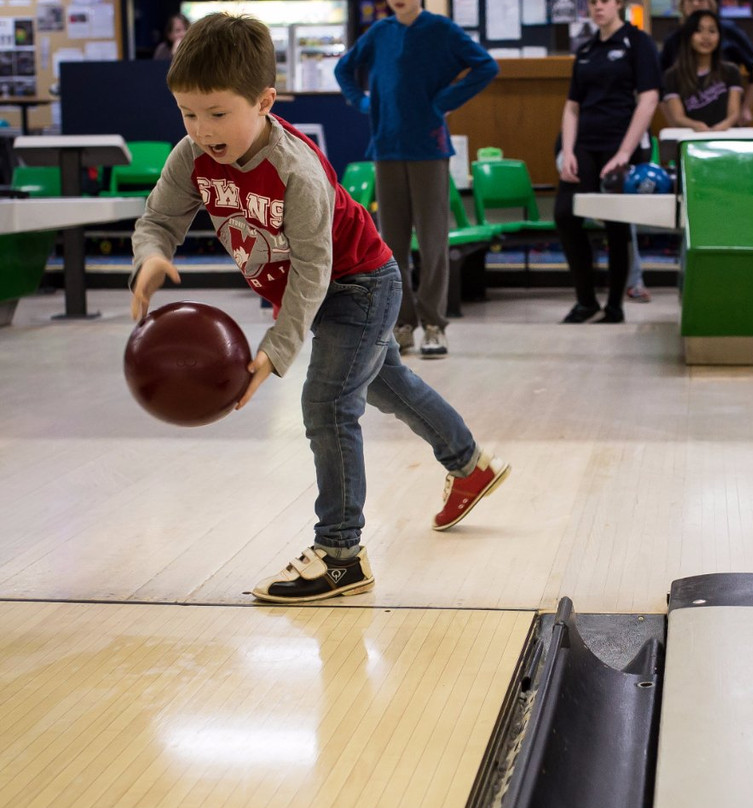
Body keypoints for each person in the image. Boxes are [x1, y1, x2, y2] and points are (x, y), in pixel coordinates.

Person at [129, 13, 510, 603]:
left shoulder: (294, 169)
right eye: (188, 113)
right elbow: (158, 218)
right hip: (323, 287)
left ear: (264, 101)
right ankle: (471, 464)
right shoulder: (192, 156)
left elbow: (314, 271)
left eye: (217, 113)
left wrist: (275, 351)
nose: (202, 130)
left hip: (359, 283)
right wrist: (152, 256)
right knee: (388, 385)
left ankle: (340, 555)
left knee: (328, 404)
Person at [335, 0, 497, 359]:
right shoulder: (379, 32)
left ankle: (435, 323)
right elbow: (344, 69)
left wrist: (444, 101)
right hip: (386, 148)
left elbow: (486, 66)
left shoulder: (442, 30)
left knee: (432, 240)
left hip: (429, 148)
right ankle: (402, 324)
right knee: (390, 244)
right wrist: (363, 103)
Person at [556, 0, 661, 324]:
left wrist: (624, 154)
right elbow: (572, 106)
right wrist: (568, 150)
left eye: (604, 1)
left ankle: (615, 304)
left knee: (617, 223)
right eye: (592, 2)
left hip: (621, 144)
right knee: (566, 214)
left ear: (618, 4)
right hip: (585, 144)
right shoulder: (586, 49)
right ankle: (585, 300)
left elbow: (649, 99)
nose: (597, 7)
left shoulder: (637, 41)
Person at [659, 0, 753, 124]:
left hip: (728, 123)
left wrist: (746, 108)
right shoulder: (673, 40)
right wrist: (674, 122)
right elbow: (659, 85)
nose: (695, 4)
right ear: (682, 6)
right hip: (688, 126)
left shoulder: (730, 32)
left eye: (700, 0)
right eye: (689, 1)